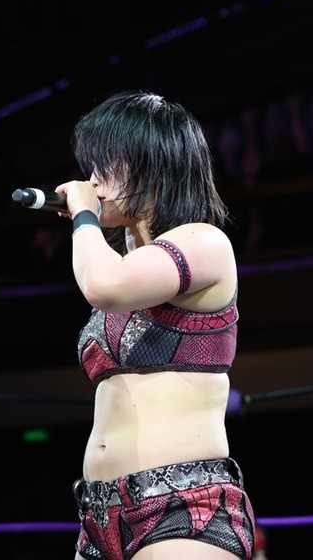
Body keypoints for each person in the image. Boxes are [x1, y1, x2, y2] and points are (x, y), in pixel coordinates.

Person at [54, 91, 257, 559]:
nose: (92, 180)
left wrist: (84, 214)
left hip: (184, 507)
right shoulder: (128, 263)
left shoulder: (205, 242)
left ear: (152, 164)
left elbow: (102, 286)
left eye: (106, 165)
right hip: (100, 517)